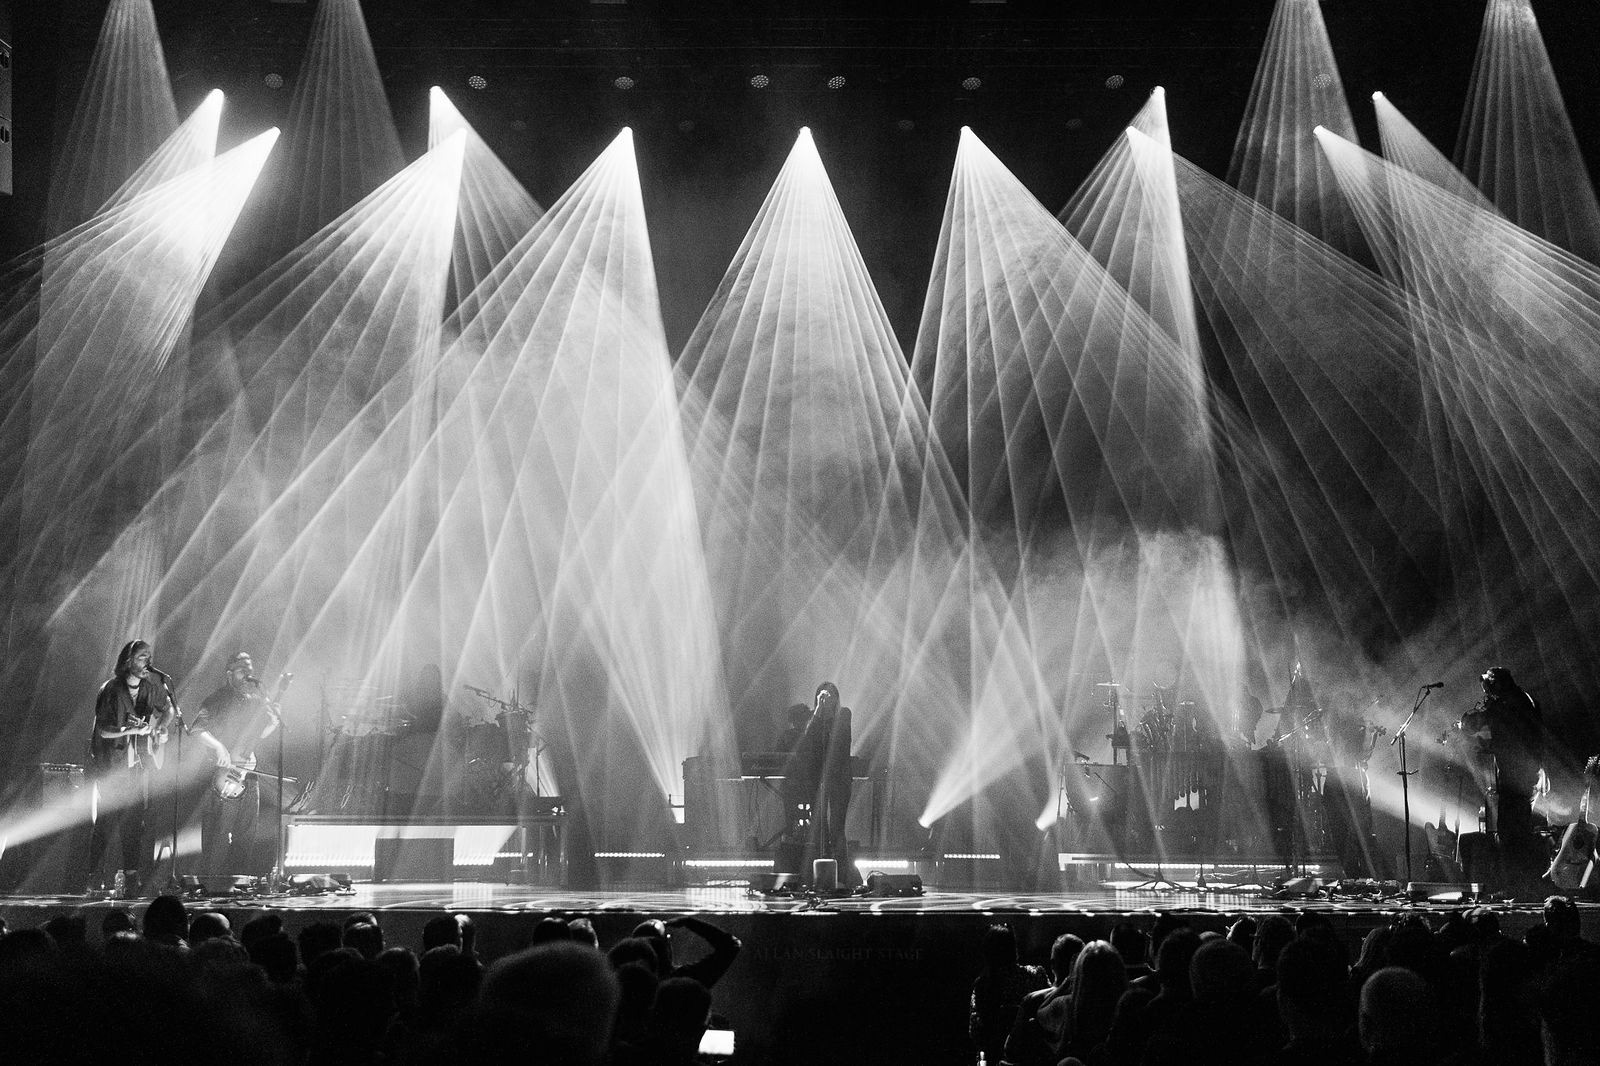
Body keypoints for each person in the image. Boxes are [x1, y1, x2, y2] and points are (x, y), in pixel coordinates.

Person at [86, 639, 175, 898]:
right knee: (105, 823)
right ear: (128, 661)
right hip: (109, 768)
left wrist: (161, 727)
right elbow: (102, 729)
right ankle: (94, 880)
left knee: (135, 825)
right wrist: (131, 729)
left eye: (148, 656)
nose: (147, 661)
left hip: (136, 768)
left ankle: (131, 880)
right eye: (141, 657)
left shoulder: (150, 687)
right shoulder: (111, 690)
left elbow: (167, 708)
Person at [192, 652, 281, 878]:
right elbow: (197, 730)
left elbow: (259, 735)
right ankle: (213, 882)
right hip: (223, 773)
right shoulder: (216, 700)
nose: (248, 674)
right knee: (220, 831)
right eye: (242, 669)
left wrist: (273, 722)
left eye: (249, 669)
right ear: (229, 673)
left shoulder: (255, 701)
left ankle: (238, 881)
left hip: (248, 773)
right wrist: (219, 747)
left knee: (247, 831)